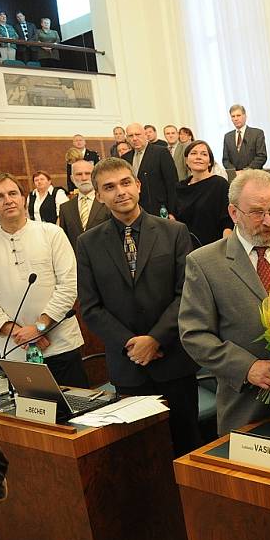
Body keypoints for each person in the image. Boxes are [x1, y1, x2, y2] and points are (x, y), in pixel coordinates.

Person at [178, 170, 270, 436]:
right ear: (234, 213)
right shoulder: (205, 263)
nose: (269, 221)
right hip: (243, 408)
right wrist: (246, 368)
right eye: (257, 212)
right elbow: (194, 335)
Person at [77, 157, 201, 456]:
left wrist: (155, 339)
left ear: (138, 185)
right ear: (99, 195)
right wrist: (133, 345)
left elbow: (187, 293)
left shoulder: (175, 232)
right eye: (109, 187)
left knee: (187, 448)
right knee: (141, 455)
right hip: (127, 365)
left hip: (173, 361)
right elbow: (91, 307)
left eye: (125, 182)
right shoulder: (88, 243)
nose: (119, 191)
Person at [0, 173, 87, 387]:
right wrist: (19, 333)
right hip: (15, 350)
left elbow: (68, 286)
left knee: (77, 414)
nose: (8, 200)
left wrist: (38, 328)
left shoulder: (52, 233)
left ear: (23, 198)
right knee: (30, 417)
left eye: (12, 193)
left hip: (60, 344)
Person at [175, 140, 233, 247]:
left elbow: (228, 221)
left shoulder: (219, 184)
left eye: (204, 154)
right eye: (193, 153)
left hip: (214, 248)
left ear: (210, 162)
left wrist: (226, 249)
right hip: (185, 248)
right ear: (186, 160)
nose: (198, 157)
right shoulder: (179, 187)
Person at [122, 123, 179, 216]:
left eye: (138, 134)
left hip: (159, 209)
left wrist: (172, 212)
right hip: (135, 211)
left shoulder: (161, 152)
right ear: (127, 139)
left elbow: (172, 183)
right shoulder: (125, 158)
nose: (134, 138)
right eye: (130, 136)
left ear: (145, 135)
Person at [58, 159, 111, 251]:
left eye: (88, 173)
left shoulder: (108, 202)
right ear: (72, 178)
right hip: (78, 261)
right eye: (79, 174)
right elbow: (65, 241)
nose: (84, 178)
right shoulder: (65, 208)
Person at [222, 104, 267, 171]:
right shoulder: (228, 137)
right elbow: (226, 160)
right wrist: (234, 172)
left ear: (245, 116)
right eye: (233, 116)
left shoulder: (257, 133)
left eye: (238, 115)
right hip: (235, 177)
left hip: (254, 175)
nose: (236, 119)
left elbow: (261, 156)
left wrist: (247, 171)